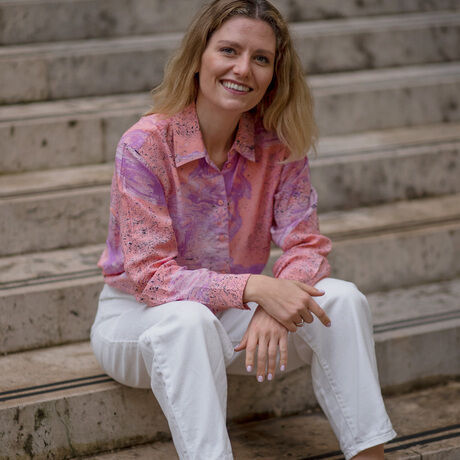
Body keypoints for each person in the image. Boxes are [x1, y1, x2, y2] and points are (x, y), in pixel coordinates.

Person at [90, 0, 397, 458]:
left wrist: (276, 305)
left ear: (274, 74)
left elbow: (306, 245)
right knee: (188, 319)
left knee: (344, 299)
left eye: (261, 58)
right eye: (229, 50)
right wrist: (257, 288)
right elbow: (152, 278)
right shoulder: (145, 145)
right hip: (140, 320)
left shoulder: (277, 147)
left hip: (232, 321)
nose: (243, 69)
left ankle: (370, 456)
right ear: (199, 56)